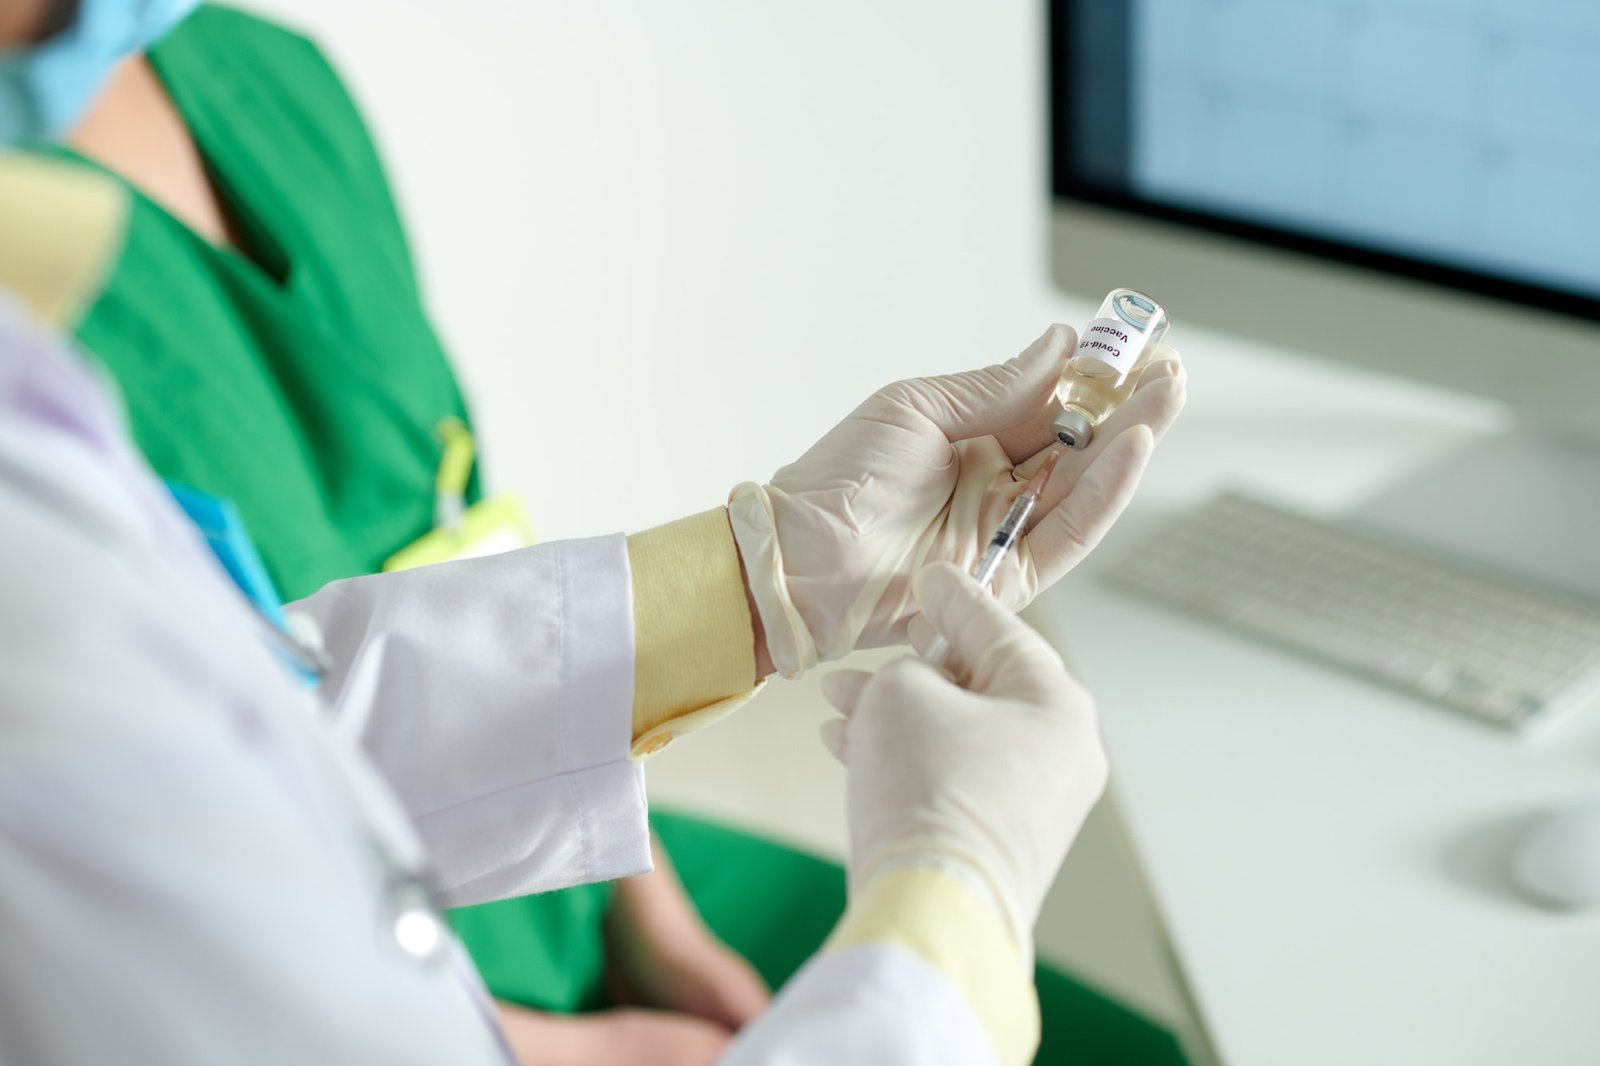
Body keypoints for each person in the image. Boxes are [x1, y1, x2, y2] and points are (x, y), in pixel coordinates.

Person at [0, 3, 1190, 1063]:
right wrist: (957, 898)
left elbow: (267, 694)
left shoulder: (217, 118)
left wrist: (765, 574)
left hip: (537, 840)